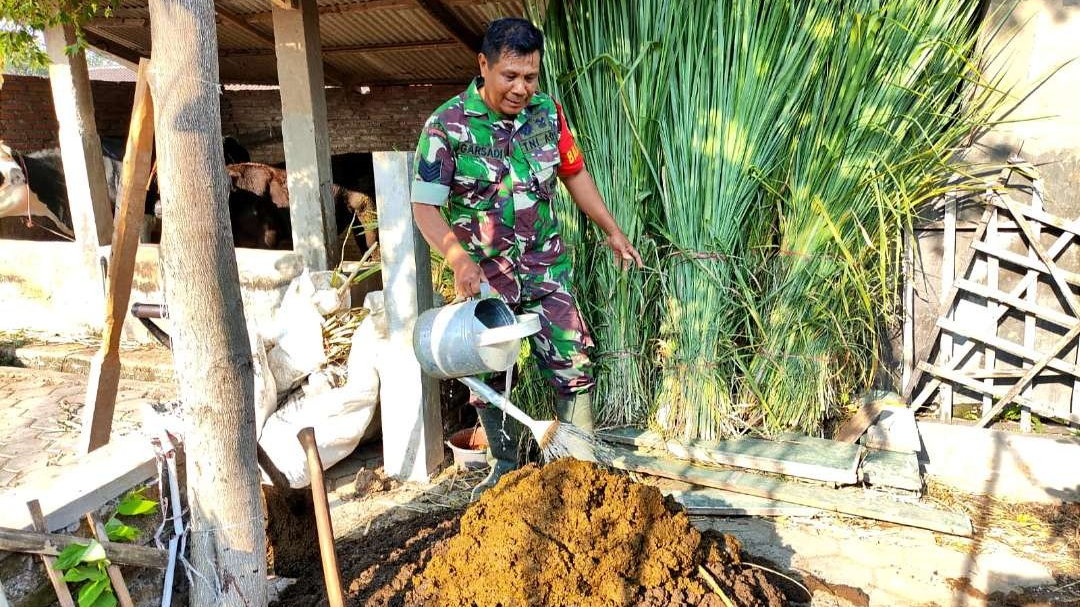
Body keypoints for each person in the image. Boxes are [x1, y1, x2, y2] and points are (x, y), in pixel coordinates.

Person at [412, 17, 643, 495]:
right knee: (489, 372)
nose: (521, 88)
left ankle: (580, 472)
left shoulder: (547, 115)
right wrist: (458, 259)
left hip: (545, 270)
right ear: (484, 65)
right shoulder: (447, 126)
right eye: (510, 76)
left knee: (573, 362)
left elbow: (574, 175)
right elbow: (425, 207)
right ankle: (505, 468)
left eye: (530, 77)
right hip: (486, 280)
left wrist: (612, 230)